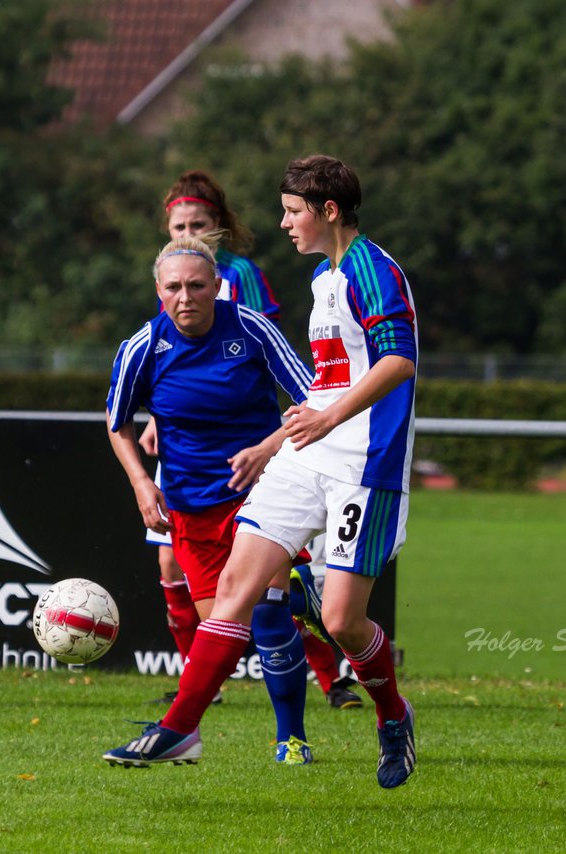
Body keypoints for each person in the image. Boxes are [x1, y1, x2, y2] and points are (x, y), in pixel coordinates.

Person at [104, 155, 419, 789]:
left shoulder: (372, 269)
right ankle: (180, 728)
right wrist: (302, 431)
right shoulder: (326, 276)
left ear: (328, 211)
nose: (283, 224)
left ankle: (393, 714)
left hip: (366, 458)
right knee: (236, 593)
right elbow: (329, 380)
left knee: (340, 622)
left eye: (293, 211)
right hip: (309, 452)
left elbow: (399, 364)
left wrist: (325, 420)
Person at [142, 170, 362, 711]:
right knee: (175, 567)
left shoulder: (239, 277)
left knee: (274, 582)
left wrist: (270, 438)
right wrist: (156, 413)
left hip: (248, 438)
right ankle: (200, 683)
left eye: (198, 222)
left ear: (218, 226)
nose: (189, 231)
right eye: (179, 224)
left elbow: (263, 352)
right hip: (186, 447)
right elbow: (169, 356)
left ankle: (330, 680)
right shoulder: (173, 274)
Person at [106, 234, 320, 764]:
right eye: (174, 287)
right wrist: (140, 482)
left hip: (262, 496)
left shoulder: (250, 329)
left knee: (266, 618)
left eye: (197, 286)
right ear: (158, 290)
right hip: (191, 508)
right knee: (223, 631)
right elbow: (118, 425)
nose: (186, 297)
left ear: (216, 287)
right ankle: (300, 596)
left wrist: (267, 448)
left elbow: (315, 398)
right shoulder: (142, 348)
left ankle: (290, 739)